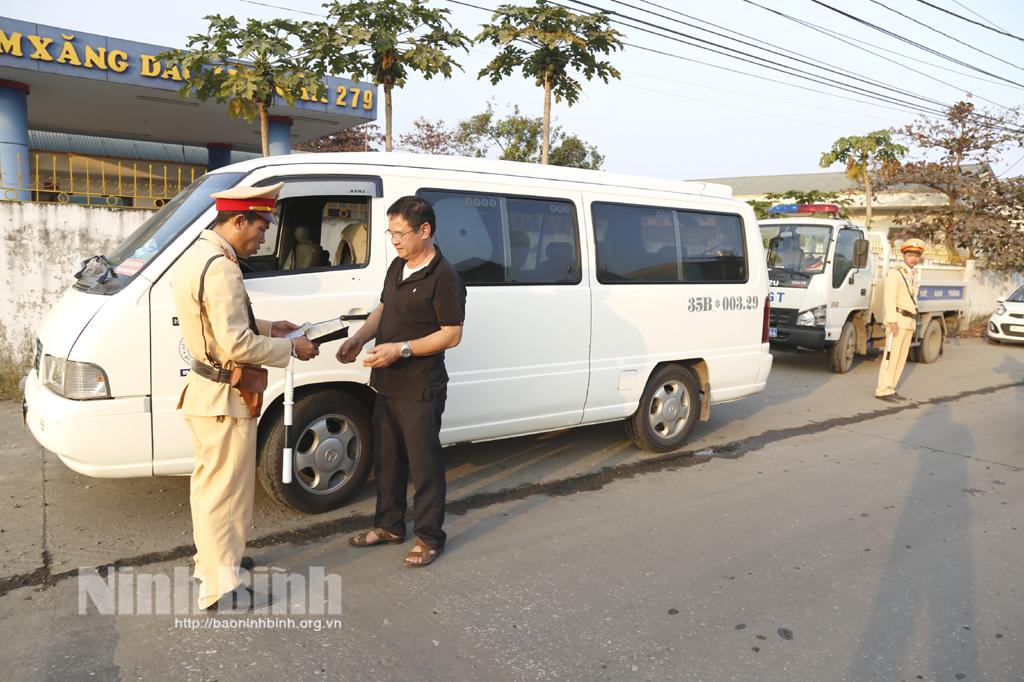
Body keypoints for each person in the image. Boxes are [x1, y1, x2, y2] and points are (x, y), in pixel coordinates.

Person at [171, 182, 319, 612]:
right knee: (229, 493)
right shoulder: (222, 267)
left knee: (209, 487)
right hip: (225, 395)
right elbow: (236, 345)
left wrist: (270, 326)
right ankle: (220, 588)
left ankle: (215, 561)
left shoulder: (199, 254)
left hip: (206, 391)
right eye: (260, 226)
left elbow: (219, 322)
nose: (264, 236)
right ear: (238, 220)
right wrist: (292, 347)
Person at [338, 196, 466, 568]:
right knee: (388, 459)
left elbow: (451, 334)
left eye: (400, 233)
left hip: (420, 387)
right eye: (390, 233)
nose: (394, 240)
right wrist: (359, 338)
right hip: (386, 383)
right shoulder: (398, 266)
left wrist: (402, 350)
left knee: (424, 465)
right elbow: (384, 309)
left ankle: (430, 537)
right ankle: (390, 525)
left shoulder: (445, 278)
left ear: (425, 231)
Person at [875, 238, 925, 402]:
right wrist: (892, 321)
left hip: (908, 320)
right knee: (891, 356)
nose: (913, 258)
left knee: (901, 357)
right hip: (897, 319)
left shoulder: (914, 274)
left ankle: (891, 387)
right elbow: (889, 298)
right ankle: (883, 389)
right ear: (904, 255)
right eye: (910, 255)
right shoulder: (895, 273)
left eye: (917, 255)